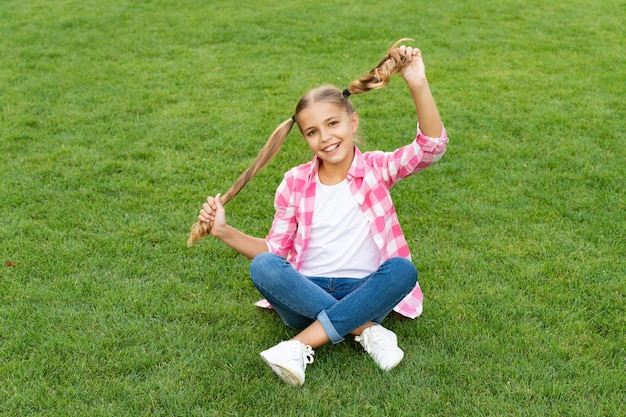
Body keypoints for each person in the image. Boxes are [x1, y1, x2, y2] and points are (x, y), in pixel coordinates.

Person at [196, 40, 448, 386]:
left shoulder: (376, 169)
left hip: (366, 290)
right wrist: (224, 231)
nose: (326, 138)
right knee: (263, 267)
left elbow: (430, 148)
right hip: (306, 292)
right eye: (313, 132)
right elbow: (274, 251)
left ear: (353, 122)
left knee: (402, 271)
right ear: (304, 138)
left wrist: (418, 83)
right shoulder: (294, 182)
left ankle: (298, 345)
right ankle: (367, 330)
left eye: (333, 124)